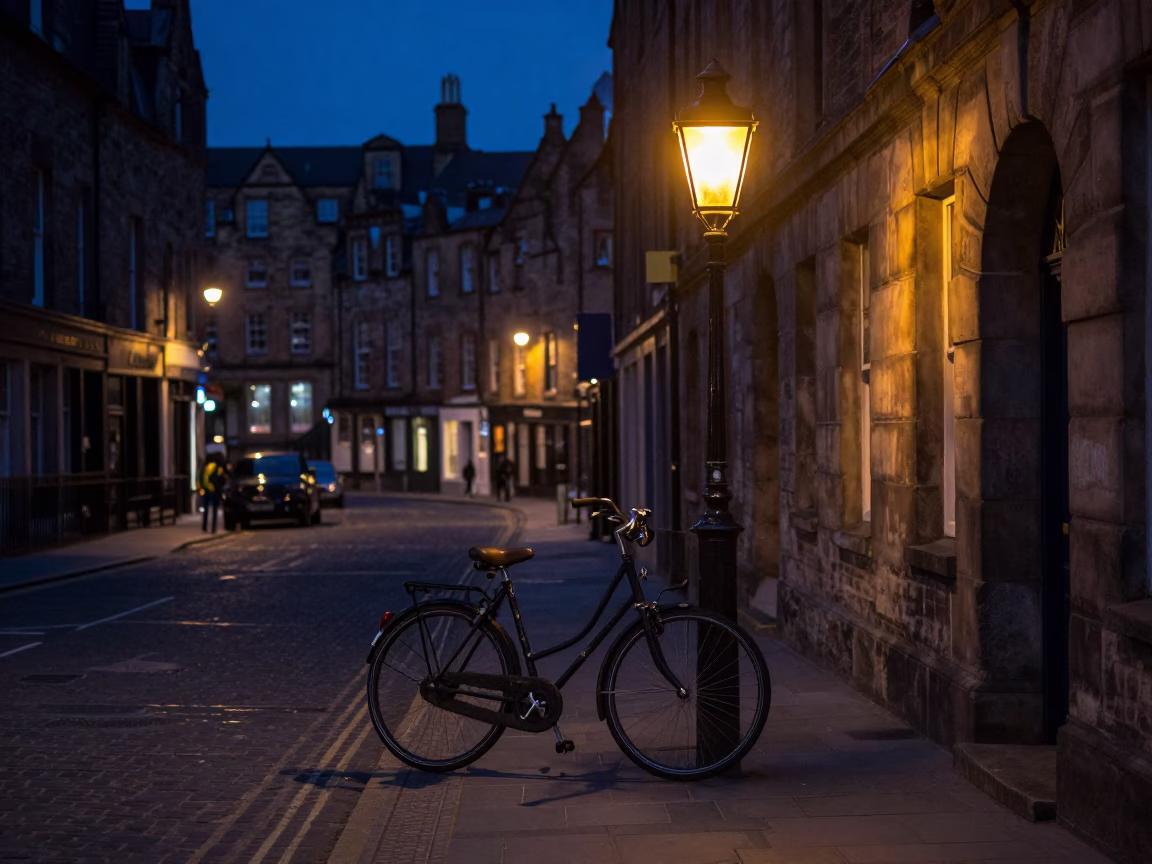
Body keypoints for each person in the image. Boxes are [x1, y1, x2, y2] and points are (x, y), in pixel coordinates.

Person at [199, 457, 223, 533]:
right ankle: (213, 529)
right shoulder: (217, 468)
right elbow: (220, 480)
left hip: (206, 490)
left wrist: (201, 488)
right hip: (214, 491)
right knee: (214, 510)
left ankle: (204, 527)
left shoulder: (205, 467)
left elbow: (200, 477)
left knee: (206, 509)